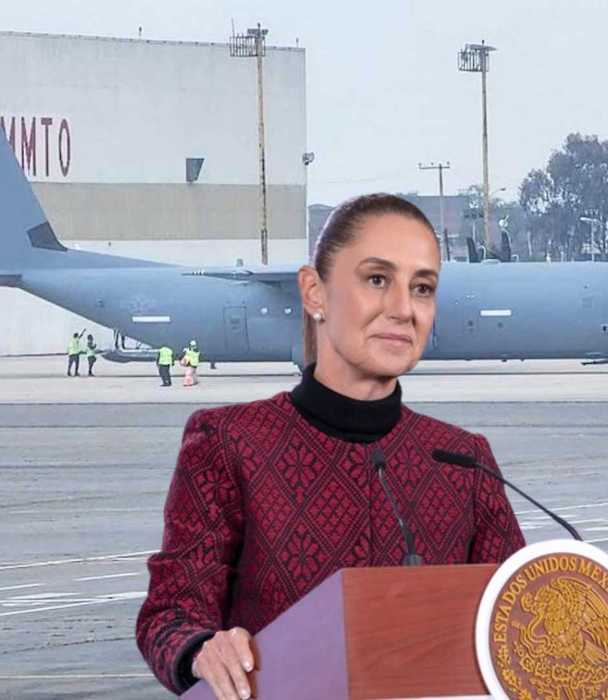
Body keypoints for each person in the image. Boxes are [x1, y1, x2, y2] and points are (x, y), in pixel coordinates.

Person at [136, 194, 525, 698]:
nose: (404, 309)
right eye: (377, 280)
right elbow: (171, 611)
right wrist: (201, 647)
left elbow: (519, 617)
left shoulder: (464, 462)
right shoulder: (231, 443)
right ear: (315, 292)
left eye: (422, 287)